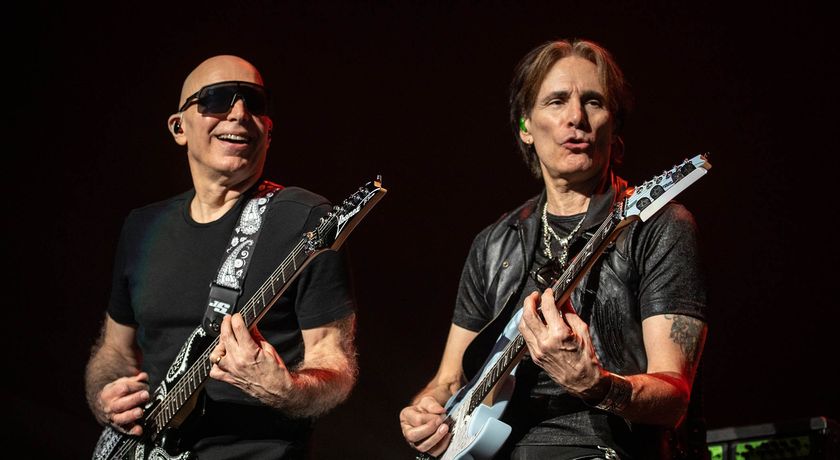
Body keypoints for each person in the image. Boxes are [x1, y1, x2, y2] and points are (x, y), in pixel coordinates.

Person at [399, 38, 708, 459]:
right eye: (557, 101)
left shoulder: (659, 227)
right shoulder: (493, 243)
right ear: (526, 126)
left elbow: (674, 396)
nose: (576, 118)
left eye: (594, 102)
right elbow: (449, 381)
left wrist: (597, 386)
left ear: (614, 127)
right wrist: (425, 412)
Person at [84, 55, 358, 459]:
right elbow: (115, 351)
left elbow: (334, 364)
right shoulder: (142, 227)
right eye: (216, 99)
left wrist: (288, 389)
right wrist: (106, 396)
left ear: (268, 130)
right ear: (179, 127)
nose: (239, 113)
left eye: (254, 102)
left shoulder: (306, 220)